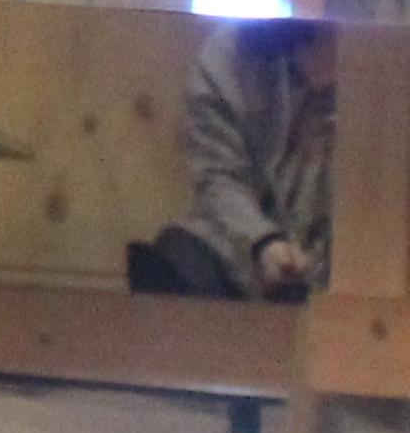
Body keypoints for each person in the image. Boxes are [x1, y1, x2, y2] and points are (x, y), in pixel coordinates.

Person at [130, 17, 332, 298]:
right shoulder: (232, 53)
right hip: (236, 249)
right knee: (176, 258)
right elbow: (217, 176)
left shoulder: (395, 70)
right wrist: (263, 242)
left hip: (331, 275)